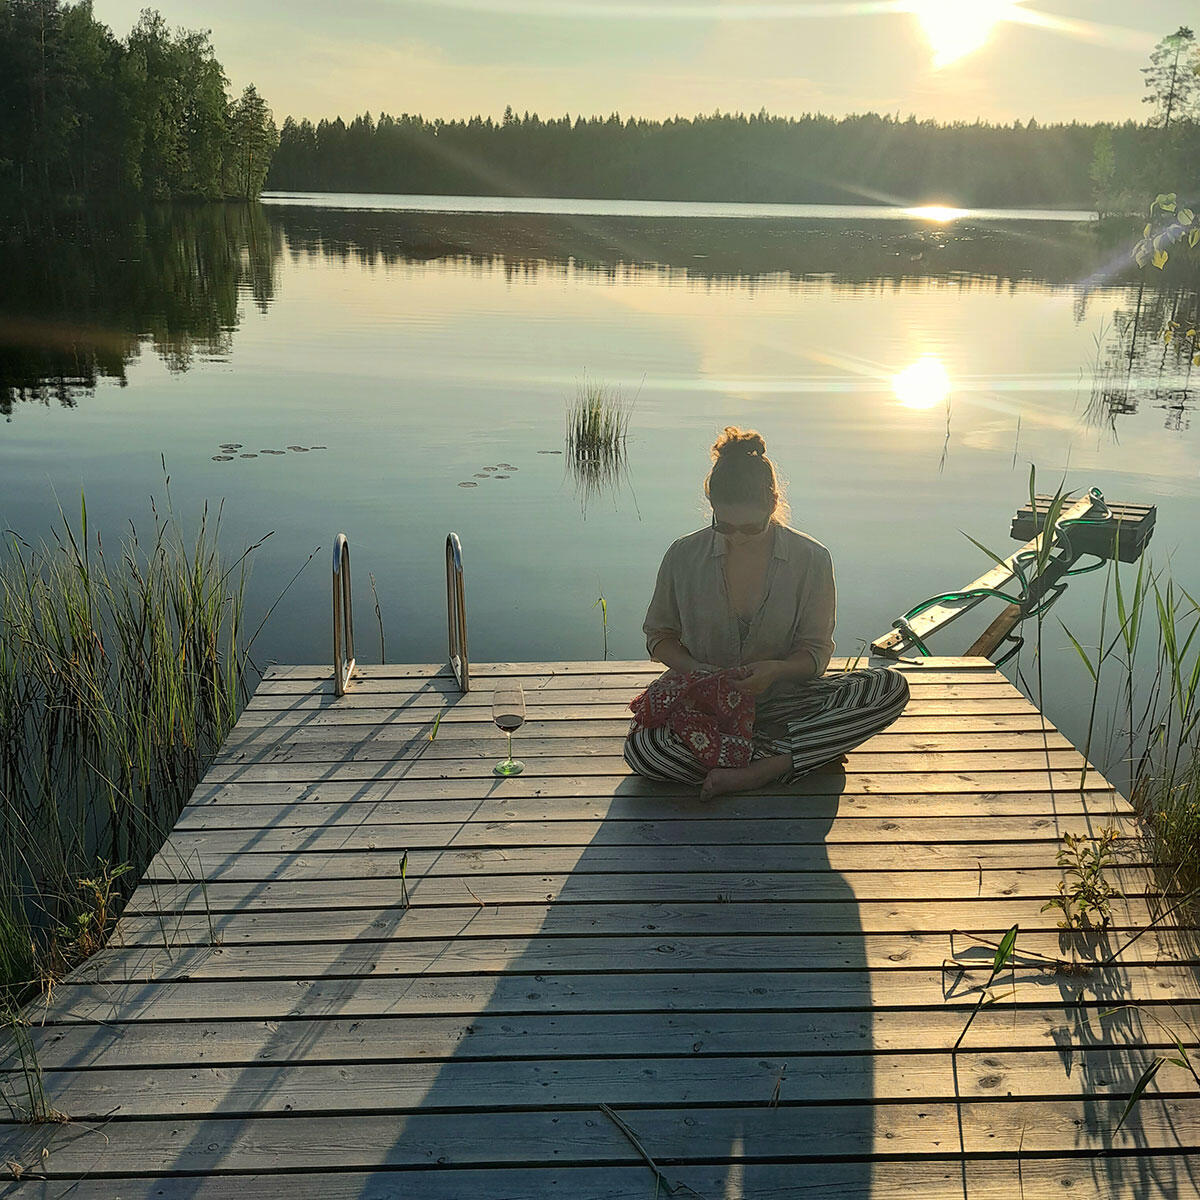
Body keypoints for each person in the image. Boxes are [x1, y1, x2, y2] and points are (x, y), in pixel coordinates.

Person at [624, 425, 910, 799]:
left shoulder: (812, 559)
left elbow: (815, 653)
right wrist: (696, 670)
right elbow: (659, 636)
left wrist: (775, 670)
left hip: (784, 700)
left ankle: (762, 768)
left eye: (750, 528)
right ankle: (800, 754)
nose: (737, 538)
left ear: (773, 504)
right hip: (706, 705)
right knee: (644, 750)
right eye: (724, 526)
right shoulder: (683, 555)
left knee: (889, 687)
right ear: (711, 507)